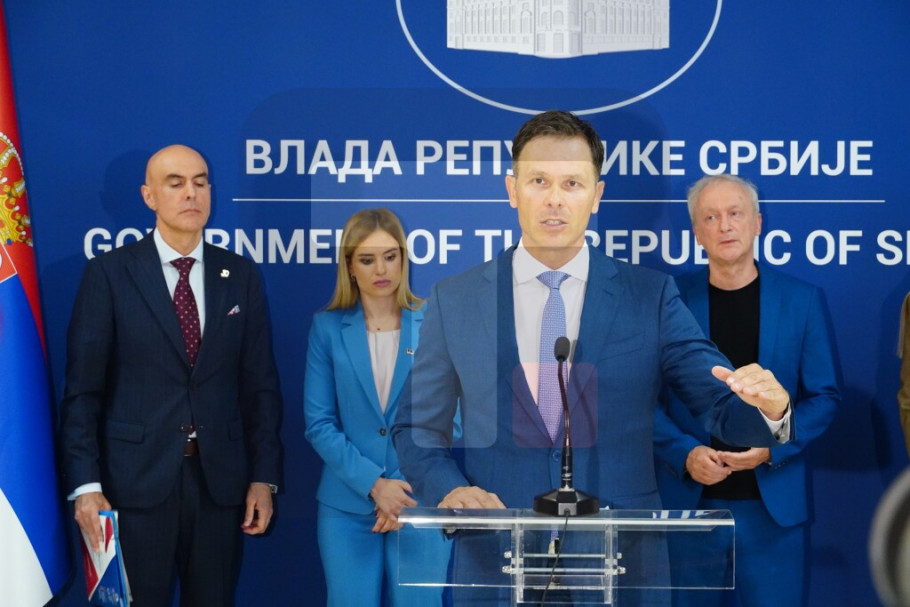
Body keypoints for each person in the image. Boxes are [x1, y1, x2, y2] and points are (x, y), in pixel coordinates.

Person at [392, 110, 792, 606]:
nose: (555, 199)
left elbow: (718, 405)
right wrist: (450, 491)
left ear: (596, 195)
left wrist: (771, 411)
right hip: (495, 561)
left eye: (572, 183)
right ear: (512, 190)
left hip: (623, 570)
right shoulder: (455, 299)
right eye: (539, 181)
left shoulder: (650, 296)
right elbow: (415, 426)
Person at [59, 144, 283, 607]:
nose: (191, 194)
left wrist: (264, 477)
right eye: (175, 183)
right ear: (149, 196)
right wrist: (86, 486)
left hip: (219, 487)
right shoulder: (109, 274)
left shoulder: (239, 275)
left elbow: (259, 387)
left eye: (200, 182)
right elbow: (83, 393)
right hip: (133, 487)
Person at [654, 174, 841, 607]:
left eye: (735, 214)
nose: (724, 226)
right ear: (696, 232)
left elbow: (825, 396)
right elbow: (641, 399)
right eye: (711, 217)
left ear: (757, 223)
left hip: (772, 511)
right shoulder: (668, 301)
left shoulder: (801, 300)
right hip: (690, 507)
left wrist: (773, 447)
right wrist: (684, 453)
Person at [304, 208, 450, 606]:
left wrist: (399, 487)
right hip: (346, 505)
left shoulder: (435, 321)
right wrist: (375, 485)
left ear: (403, 258)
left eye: (390, 256)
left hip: (420, 498)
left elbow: (451, 418)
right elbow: (319, 423)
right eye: (367, 260)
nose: (381, 269)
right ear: (350, 267)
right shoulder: (327, 328)